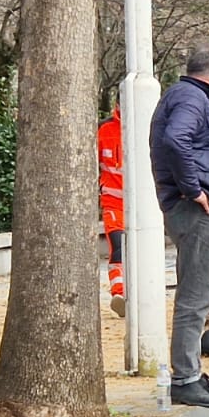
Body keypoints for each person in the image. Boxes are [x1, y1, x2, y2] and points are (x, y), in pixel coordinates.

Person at [149, 40, 209, 408]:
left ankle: (192, 373)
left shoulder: (186, 96)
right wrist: (195, 190)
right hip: (195, 211)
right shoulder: (190, 99)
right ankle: (185, 379)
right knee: (196, 298)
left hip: (195, 209)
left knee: (196, 295)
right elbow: (176, 140)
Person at [97, 104, 126, 318]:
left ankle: (134, 293)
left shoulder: (147, 126)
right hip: (113, 202)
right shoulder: (104, 130)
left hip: (140, 206)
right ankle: (119, 292)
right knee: (118, 246)